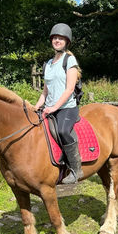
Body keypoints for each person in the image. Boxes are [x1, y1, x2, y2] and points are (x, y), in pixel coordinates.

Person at [34, 23, 83, 184]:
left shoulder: (69, 60)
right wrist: (35, 107)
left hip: (66, 108)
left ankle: (76, 169)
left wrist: (55, 107)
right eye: (55, 38)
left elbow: (69, 89)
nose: (57, 40)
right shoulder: (48, 64)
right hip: (49, 107)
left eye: (60, 38)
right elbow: (45, 92)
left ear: (66, 41)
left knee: (62, 131)